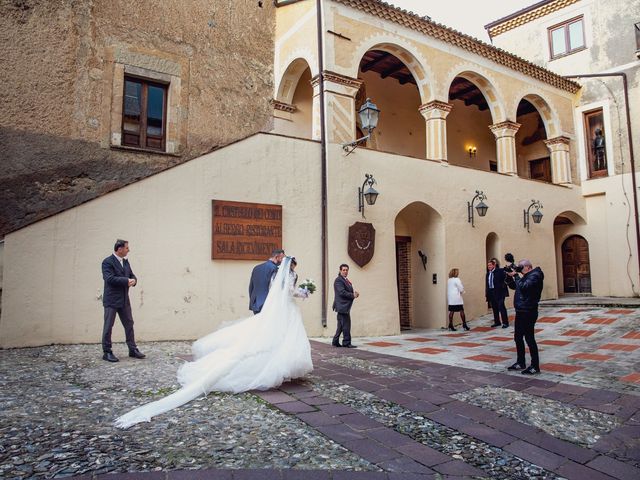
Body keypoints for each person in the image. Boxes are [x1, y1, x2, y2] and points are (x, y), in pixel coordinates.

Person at [115, 256, 312, 428]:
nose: (293, 266)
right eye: (294, 264)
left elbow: (257, 288)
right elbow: (288, 292)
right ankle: (277, 368)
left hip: (275, 309)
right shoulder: (287, 275)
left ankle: (281, 367)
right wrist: (303, 292)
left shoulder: (270, 272)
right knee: (280, 338)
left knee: (273, 338)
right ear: (290, 264)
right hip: (286, 310)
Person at [101, 239, 145, 362]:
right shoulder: (107, 262)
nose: (128, 250)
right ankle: (107, 352)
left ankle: (132, 349)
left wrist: (134, 280)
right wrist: (126, 281)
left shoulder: (125, 262)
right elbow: (109, 279)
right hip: (111, 300)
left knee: (129, 324)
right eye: (127, 248)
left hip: (124, 299)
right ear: (119, 249)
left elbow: (131, 275)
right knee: (108, 326)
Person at [505, 259, 544, 375]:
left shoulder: (535, 276)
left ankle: (535, 366)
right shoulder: (527, 275)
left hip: (528, 311)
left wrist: (516, 275)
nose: (519, 269)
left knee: (529, 338)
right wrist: (509, 277)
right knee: (518, 337)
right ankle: (520, 362)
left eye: (521, 267)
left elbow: (524, 287)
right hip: (521, 310)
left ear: (528, 267)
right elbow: (516, 286)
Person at [249, 248, 285, 314]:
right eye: (282, 259)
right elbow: (275, 287)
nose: (282, 261)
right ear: (276, 257)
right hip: (268, 303)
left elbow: (251, 287)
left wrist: (252, 300)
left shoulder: (256, 268)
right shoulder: (275, 269)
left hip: (255, 302)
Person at [332, 263, 359, 348]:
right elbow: (341, 292)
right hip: (342, 306)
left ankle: (335, 341)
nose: (345, 271)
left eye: (347, 270)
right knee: (346, 325)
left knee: (341, 325)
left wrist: (354, 294)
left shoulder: (345, 280)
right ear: (340, 271)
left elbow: (346, 291)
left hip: (344, 306)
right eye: (343, 270)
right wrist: (352, 295)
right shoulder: (339, 280)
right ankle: (346, 343)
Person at [486, 258, 509, 328]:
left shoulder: (500, 271)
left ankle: (505, 322)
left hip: (500, 293)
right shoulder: (488, 273)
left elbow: (505, 279)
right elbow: (487, 284)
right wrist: (487, 293)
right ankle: (497, 322)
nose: (489, 267)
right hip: (491, 292)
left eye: (490, 265)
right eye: (488, 266)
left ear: (494, 265)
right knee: (494, 308)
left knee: (501, 307)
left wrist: (502, 289)